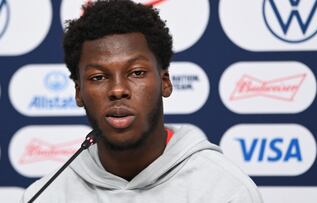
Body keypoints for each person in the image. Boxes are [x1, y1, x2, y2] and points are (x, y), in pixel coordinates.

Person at [22, 0, 263, 202]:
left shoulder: (226, 191)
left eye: (136, 73)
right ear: (78, 92)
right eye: (98, 77)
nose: (117, 90)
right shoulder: (45, 196)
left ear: (165, 81)